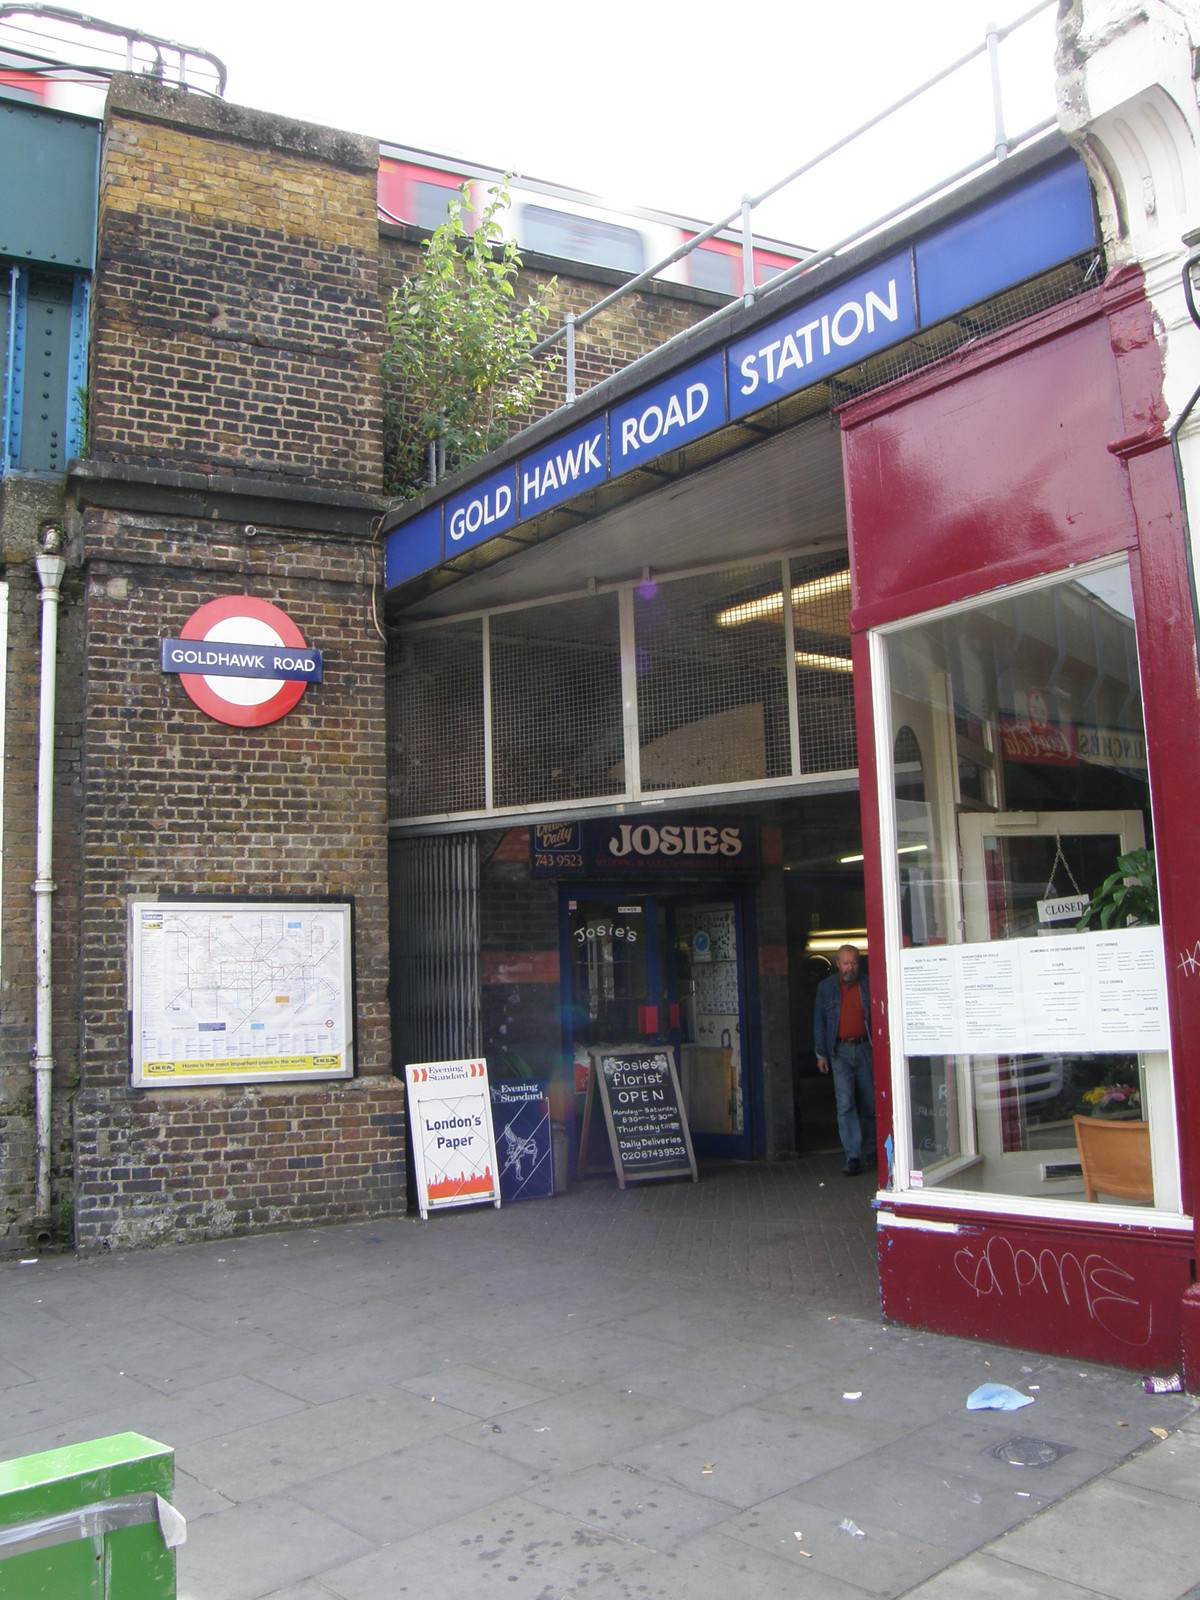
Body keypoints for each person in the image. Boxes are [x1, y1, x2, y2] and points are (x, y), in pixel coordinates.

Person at [814, 944, 877, 1177]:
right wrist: (820, 1053)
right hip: (839, 1051)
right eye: (845, 963)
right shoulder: (826, 988)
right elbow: (819, 1021)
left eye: (853, 962)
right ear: (837, 963)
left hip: (865, 1049)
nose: (850, 967)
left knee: (870, 1103)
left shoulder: (868, 984)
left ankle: (871, 1149)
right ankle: (853, 1156)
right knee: (846, 1104)